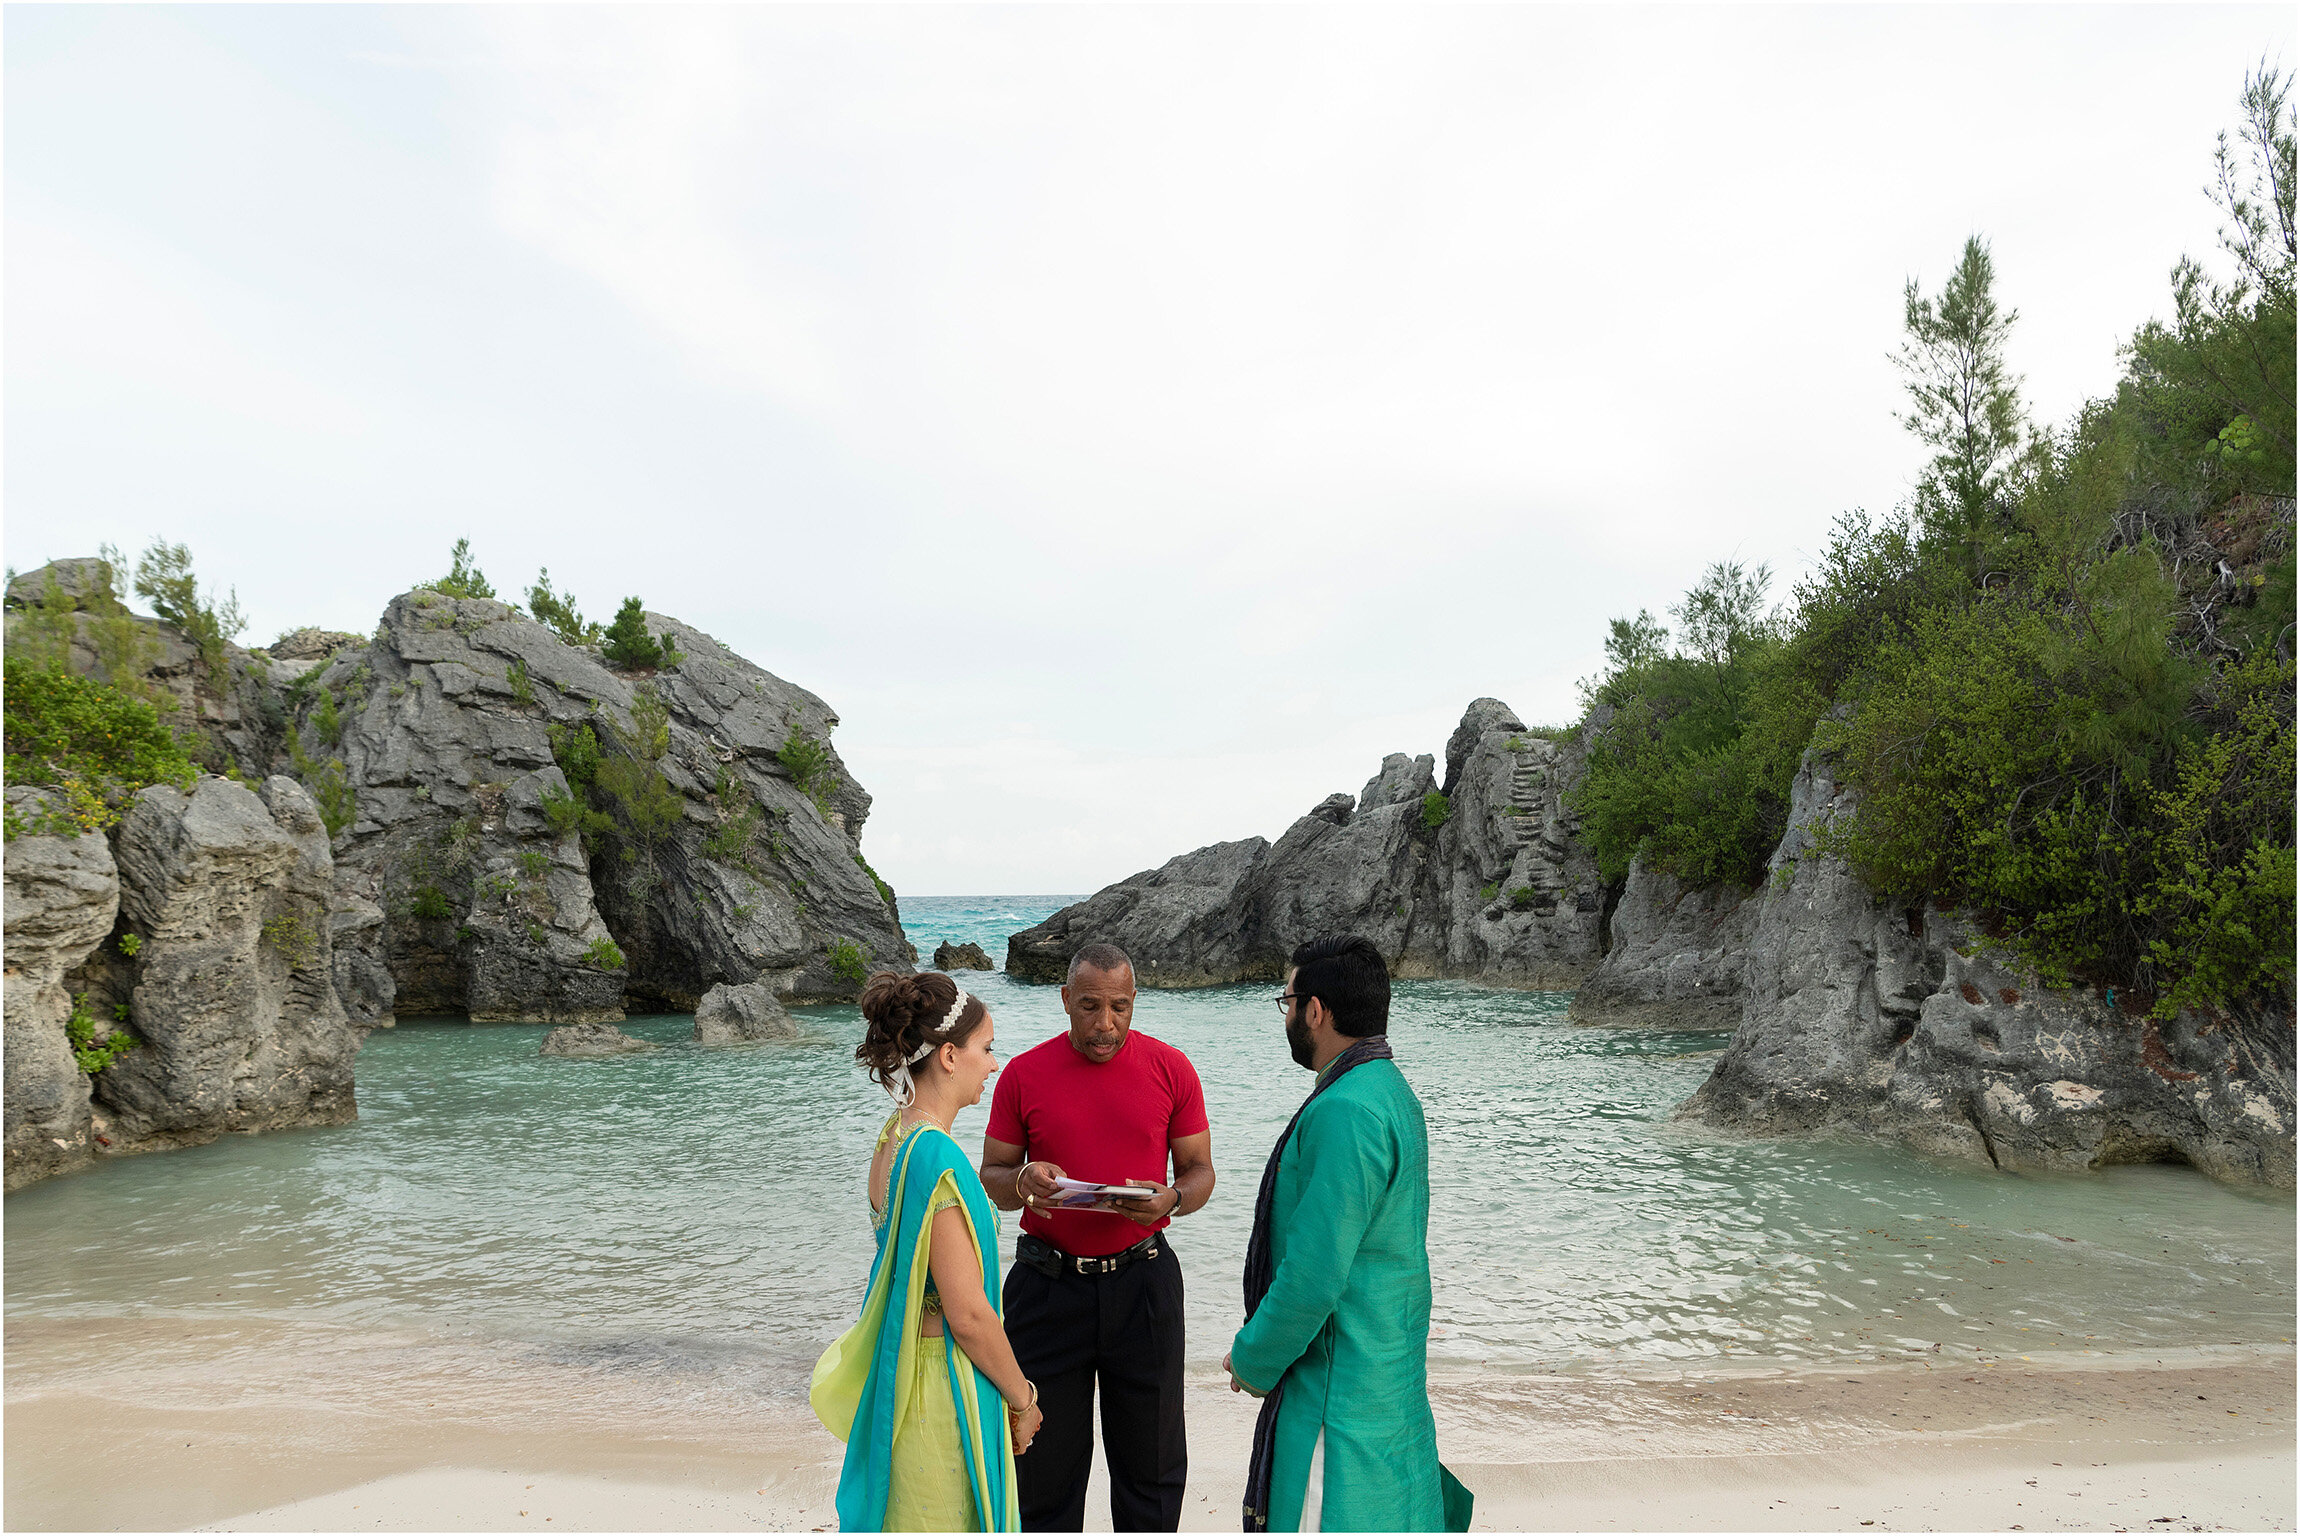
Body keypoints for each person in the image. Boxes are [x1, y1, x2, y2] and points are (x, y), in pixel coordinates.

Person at [1222, 934, 1471, 1534]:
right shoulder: (1390, 1091)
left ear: (1316, 1010)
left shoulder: (1345, 1109)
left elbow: (1313, 1275)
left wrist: (1253, 1357)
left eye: (1287, 1002)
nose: (1287, 1017)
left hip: (1340, 1390)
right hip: (1385, 1369)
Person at [978, 942, 1217, 1532]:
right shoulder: (1024, 1073)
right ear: (1064, 1001)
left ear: (1135, 1003)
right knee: (1041, 1472)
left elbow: (1200, 1171)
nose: (1105, 1024)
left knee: (1152, 1470)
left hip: (1144, 1283)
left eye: (1120, 1007)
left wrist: (1173, 1200)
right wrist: (1026, 1181)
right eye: (1089, 1006)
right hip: (1045, 1287)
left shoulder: (1172, 1067)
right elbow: (993, 1177)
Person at [812, 971, 1046, 1532]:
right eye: (985, 1049)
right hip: (941, 1392)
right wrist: (1023, 1399)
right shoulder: (938, 1160)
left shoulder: (892, 1137)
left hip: (901, 1374)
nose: (993, 1064)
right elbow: (967, 1314)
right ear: (947, 1055)